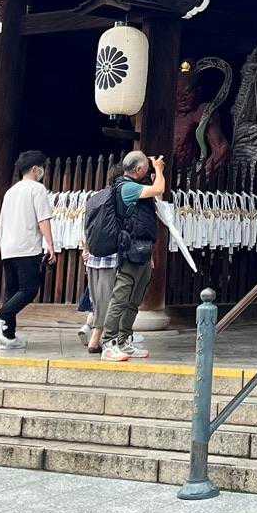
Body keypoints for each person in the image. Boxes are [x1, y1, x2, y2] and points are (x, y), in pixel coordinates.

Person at [0, 150, 56, 347]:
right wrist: (50, 245)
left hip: (8, 247)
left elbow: (0, 223)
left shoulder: (11, 191)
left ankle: (8, 336)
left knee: (13, 291)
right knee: (29, 289)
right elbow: (43, 219)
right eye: (42, 167)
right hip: (27, 247)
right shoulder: (37, 189)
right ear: (35, 169)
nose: (43, 171)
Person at [100, 149, 166, 363]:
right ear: (138, 169)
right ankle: (109, 343)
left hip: (142, 250)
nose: (147, 170)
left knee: (135, 299)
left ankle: (123, 340)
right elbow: (159, 189)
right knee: (121, 297)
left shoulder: (135, 187)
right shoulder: (126, 187)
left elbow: (156, 195)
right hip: (129, 251)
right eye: (145, 167)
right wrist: (159, 170)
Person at [79, 161, 133, 358]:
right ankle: (97, 339)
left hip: (93, 256)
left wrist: (86, 250)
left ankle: (97, 334)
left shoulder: (95, 197)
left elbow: (85, 227)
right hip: (111, 256)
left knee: (97, 299)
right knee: (110, 299)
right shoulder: (121, 197)